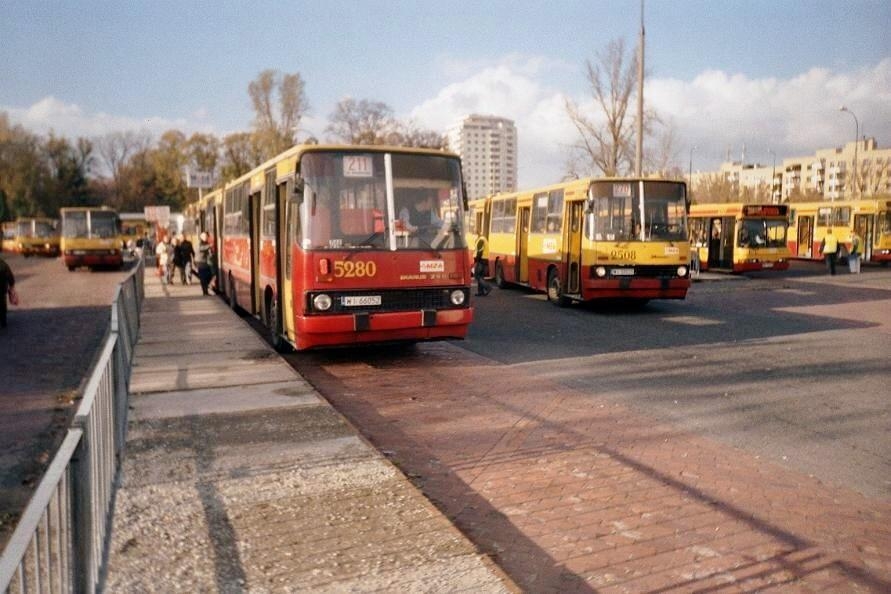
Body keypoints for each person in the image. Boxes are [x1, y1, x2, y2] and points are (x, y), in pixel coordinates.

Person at [0, 255, 15, 329]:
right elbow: (10, 276)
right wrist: (11, 285)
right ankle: (3, 321)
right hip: (2, 289)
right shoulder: (3, 263)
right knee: (2, 304)